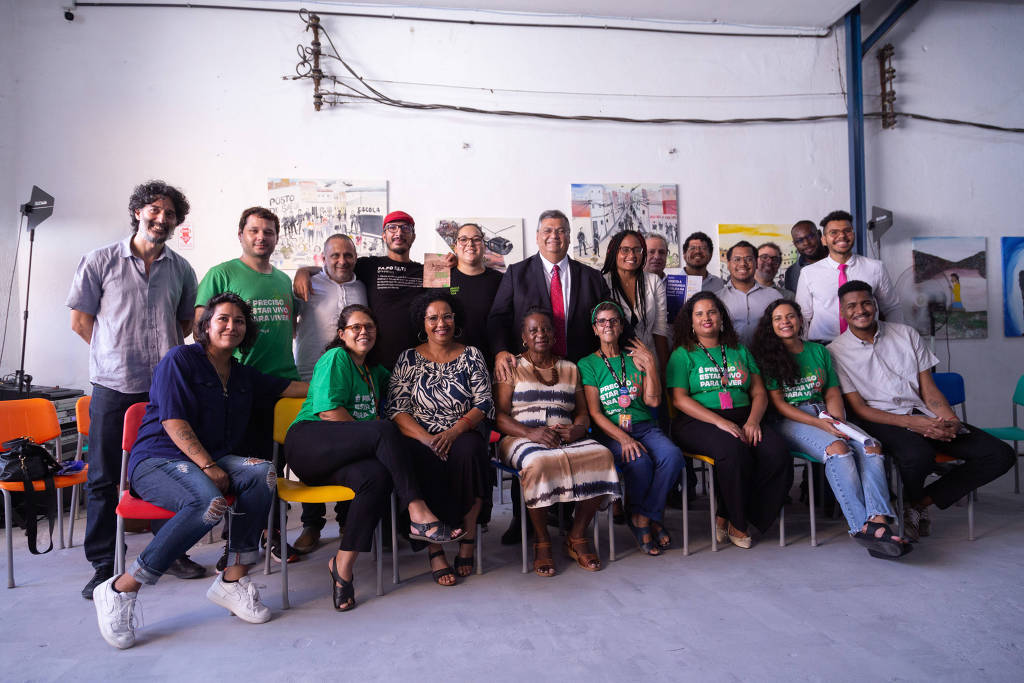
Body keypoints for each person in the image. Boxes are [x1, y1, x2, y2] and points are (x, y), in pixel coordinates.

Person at [92, 293, 308, 650]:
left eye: (239, 321)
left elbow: (290, 387)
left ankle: (232, 580)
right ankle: (120, 588)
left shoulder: (242, 374)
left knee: (263, 472)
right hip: (158, 460)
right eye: (223, 319)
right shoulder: (180, 359)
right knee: (208, 502)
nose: (231, 326)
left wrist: (341, 383)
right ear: (206, 325)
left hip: (214, 457)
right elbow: (173, 421)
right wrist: (207, 465)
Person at [67, 180, 204, 600]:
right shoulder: (100, 260)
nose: (161, 219)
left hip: (164, 390)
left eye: (169, 214)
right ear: (138, 211)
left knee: (171, 472)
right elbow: (80, 320)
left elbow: (184, 324)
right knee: (105, 477)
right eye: (154, 210)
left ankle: (171, 552)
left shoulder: (181, 269)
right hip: (112, 385)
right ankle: (104, 564)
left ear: (177, 221)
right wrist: (112, 352)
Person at [285, 304, 463, 610]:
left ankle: (342, 566)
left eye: (369, 326)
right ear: (342, 334)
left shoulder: (375, 371)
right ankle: (418, 513)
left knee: (376, 478)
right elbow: (329, 412)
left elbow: (403, 396)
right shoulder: (336, 358)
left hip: (342, 458)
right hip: (309, 444)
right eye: (355, 327)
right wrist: (373, 440)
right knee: (382, 431)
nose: (363, 331)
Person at [828, 280, 1015, 540]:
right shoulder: (835, 352)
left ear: (875, 304)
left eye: (865, 302)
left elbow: (928, 389)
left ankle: (917, 504)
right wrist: (911, 424)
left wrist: (950, 420)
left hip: (922, 412)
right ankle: (910, 507)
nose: (860, 310)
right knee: (918, 455)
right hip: (880, 419)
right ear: (842, 311)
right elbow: (859, 409)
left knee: (1000, 454)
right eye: (852, 306)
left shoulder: (906, 334)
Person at [487, 209, 612, 545]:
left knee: (568, 437)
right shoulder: (517, 273)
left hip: (574, 370)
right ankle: (522, 519)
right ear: (538, 235)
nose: (554, 236)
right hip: (528, 371)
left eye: (561, 231)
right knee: (531, 439)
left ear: (570, 236)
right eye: (547, 231)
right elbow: (499, 317)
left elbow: (602, 321)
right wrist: (501, 351)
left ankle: (568, 518)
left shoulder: (591, 277)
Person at [750, 299, 911, 559]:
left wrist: (837, 420)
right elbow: (778, 405)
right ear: (771, 325)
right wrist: (820, 425)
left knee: (871, 446)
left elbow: (832, 391)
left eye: (790, 316)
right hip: (790, 419)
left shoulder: (819, 351)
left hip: (823, 411)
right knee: (839, 449)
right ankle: (861, 527)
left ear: (800, 320)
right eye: (778, 318)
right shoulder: (766, 357)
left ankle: (878, 520)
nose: (785, 322)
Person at [196, 206, 300, 564]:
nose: (261, 237)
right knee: (244, 470)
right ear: (241, 234)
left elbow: (291, 327)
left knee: (276, 466)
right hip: (238, 385)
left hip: (282, 384)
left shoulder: (284, 280)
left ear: (276, 238)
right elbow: (201, 328)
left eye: (268, 232)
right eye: (254, 231)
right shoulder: (221, 273)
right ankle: (235, 544)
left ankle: (273, 534)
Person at [494, 308, 619, 575]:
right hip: (520, 436)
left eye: (546, 329)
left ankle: (577, 535)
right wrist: (530, 433)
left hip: (565, 436)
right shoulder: (512, 367)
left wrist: (577, 429)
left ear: (554, 335)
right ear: (524, 337)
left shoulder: (570, 369)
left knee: (602, 456)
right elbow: (499, 417)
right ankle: (542, 540)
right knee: (538, 462)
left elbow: (583, 413)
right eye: (533, 330)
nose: (541, 334)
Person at [667, 292, 792, 548]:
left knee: (778, 453)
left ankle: (737, 513)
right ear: (690, 322)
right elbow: (679, 399)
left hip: (745, 416)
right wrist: (718, 422)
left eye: (712, 312)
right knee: (734, 450)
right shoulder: (682, 354)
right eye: (699, 314)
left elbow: (758, 392)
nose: (707, 318)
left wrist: (754, 421)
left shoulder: (739, 350)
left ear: (721, 317)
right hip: (697, 421)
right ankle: (738, 522)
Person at [386, 292, 493, 584]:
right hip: (420, 435)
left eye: (447, 316)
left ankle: (468, 540)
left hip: (461, 431)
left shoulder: (472, 354)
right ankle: (436, 551)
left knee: (472, 452)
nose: (441, 323)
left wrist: (453, 432)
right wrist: (427, 439)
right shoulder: (408, 358)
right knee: (419, 459)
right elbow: (396, 409)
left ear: (455, 319)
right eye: (433, 318)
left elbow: (483, 403)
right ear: (423, 322)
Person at [580, 301, 683, 556]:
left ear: (621, 325)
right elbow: (594, 413)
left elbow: (654, 401)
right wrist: (623, 439)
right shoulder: (588, 364)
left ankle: (643, 516)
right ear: (595, 329)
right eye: (602, 321)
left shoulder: (636, 357)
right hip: (611, 431)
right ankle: (649, 518)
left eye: (613, 320)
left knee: (672, 457)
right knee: (639, 461)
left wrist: (650, 364)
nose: (608, 325)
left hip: (646, 426)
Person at [291, 233, 367, 555]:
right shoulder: (306, 285)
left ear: (355, 257)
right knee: (317, 450)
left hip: (350, 378)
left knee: (350, 448)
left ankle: (348, 519)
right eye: (334, 255)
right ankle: (312, 522)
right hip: (310, 377)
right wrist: (301, 270)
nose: (341, 261)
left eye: (348, 255)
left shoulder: (363, 286)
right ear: (323, 258)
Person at [795, 210, 901, 342]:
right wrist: (803, 350)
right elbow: (803, 316)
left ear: (854, 235)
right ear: (823, 239)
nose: (842, 236)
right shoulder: (808, 273)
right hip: (824, 347)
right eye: (834, 232)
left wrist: (894, 340)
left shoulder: (875, 267)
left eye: (847, 231)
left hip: (866, 343)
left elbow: (891, 307)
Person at [602, 229, 670, 371]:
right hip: (614, 364)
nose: (632, 255)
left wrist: (664, 371)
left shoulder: (653, 281)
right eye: (625, 250)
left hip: (649, 362)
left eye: (637, 250)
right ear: (614, 251)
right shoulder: (602, 282)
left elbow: (660, 330)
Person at [445, 222, 503, 367]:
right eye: (463, 239)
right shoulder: (442, 277)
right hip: (449, 364)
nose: (470, 244)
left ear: (484, 245)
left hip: (489, 363)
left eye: (476, 239)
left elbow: (505, 322)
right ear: (455, 246)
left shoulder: (499, 280)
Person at [715, 241, 782, 346]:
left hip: (767, 358)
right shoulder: (717, 299)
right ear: (728, 264)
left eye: (748, 259)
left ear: (756, 263)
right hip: (731, 360)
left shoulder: (774, 296)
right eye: (737, 259)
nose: (743, 264)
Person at [783, 220, 828, 294]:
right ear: (794, 244)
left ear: (819, 234)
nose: (806, 243)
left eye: (810, 237)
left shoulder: (838, 259)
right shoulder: (792, 273)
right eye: (799, 241)